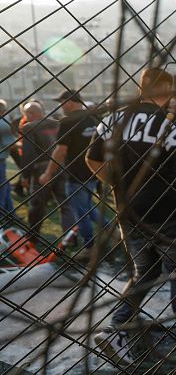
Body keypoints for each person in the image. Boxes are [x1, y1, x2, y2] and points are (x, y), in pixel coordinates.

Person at [87, 68, 176, 364]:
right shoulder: (166, 124)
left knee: (144, 272)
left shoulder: (112, 119)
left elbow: (91, 158)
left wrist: (118, 183)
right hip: (167, 212)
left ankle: (116, 329)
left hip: (129, 213)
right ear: (164, 90)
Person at [37, 89, 103, 253]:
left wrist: (47, 173)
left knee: (80, 213)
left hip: (76, 175)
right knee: (86, 207)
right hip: (93, 171)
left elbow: (60, 151)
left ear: (69, 102)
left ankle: (89, 248)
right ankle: (112, 230)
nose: (61, 106)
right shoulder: (93, 118)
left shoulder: (68, 121)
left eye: (61, 103)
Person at [18, 101, 76, 240]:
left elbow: (29, 153)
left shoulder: (29, 127)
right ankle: (70, 237)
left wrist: (25, 175)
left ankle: (33, 236)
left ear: (30, 114)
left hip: (41, 169)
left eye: (26, 114)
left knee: (37, 204)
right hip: (62, 165)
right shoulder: (58, 123)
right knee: (66, 204)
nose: (26, 117)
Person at [0, 99, 16, 221]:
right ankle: (3, 215)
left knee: (5, 186)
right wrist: (23, 144)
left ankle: (10, 213)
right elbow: (10, 144)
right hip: (0, 161)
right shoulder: (3, 124)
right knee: (2, 189)